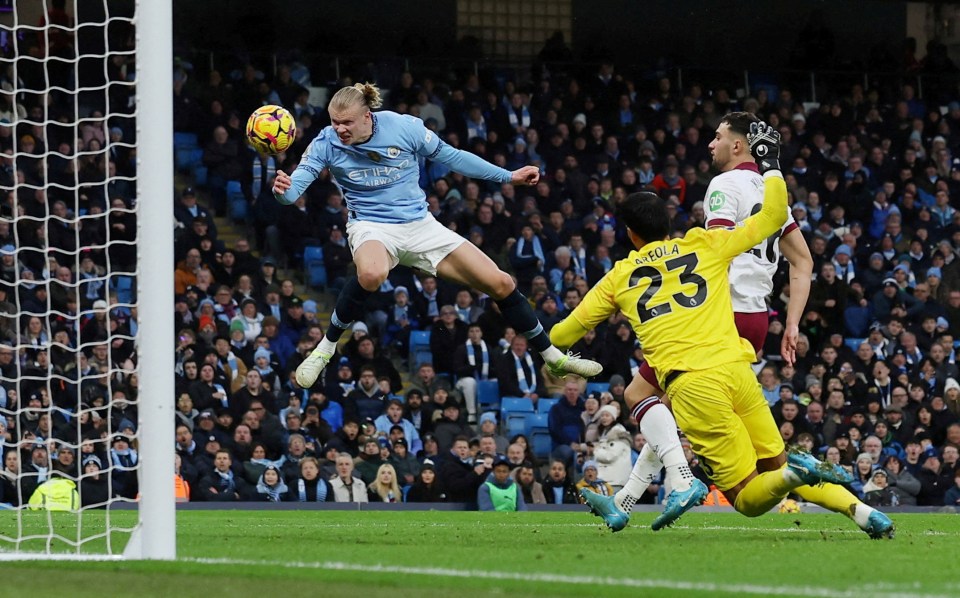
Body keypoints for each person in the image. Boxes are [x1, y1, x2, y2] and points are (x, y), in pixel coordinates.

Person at [550, 123, 870, 534]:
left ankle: (681, 481)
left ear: (737, 144)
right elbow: (801, 259)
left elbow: (560, 336)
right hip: (754, 318)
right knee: (739, 443)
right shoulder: (756, 204)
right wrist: (791, 322)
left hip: (719, 314)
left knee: (644, 395)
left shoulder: (719, 189)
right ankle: (862, 511)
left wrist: (559, 360)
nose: (710, 143)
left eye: (717, 137)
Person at [272, 83, 601, 390]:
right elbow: (294, 189)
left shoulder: (404, 128)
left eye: (346, 122)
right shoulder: (325, 142)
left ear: (367, 117)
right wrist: (284, 191)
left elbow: (454, 157)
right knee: (372, 273)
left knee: (501, 283)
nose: (339, 129)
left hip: (421, 226)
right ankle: (324, 350)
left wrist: (508, 176)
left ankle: (553, 358)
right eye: (334, 122)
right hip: (372, 226)